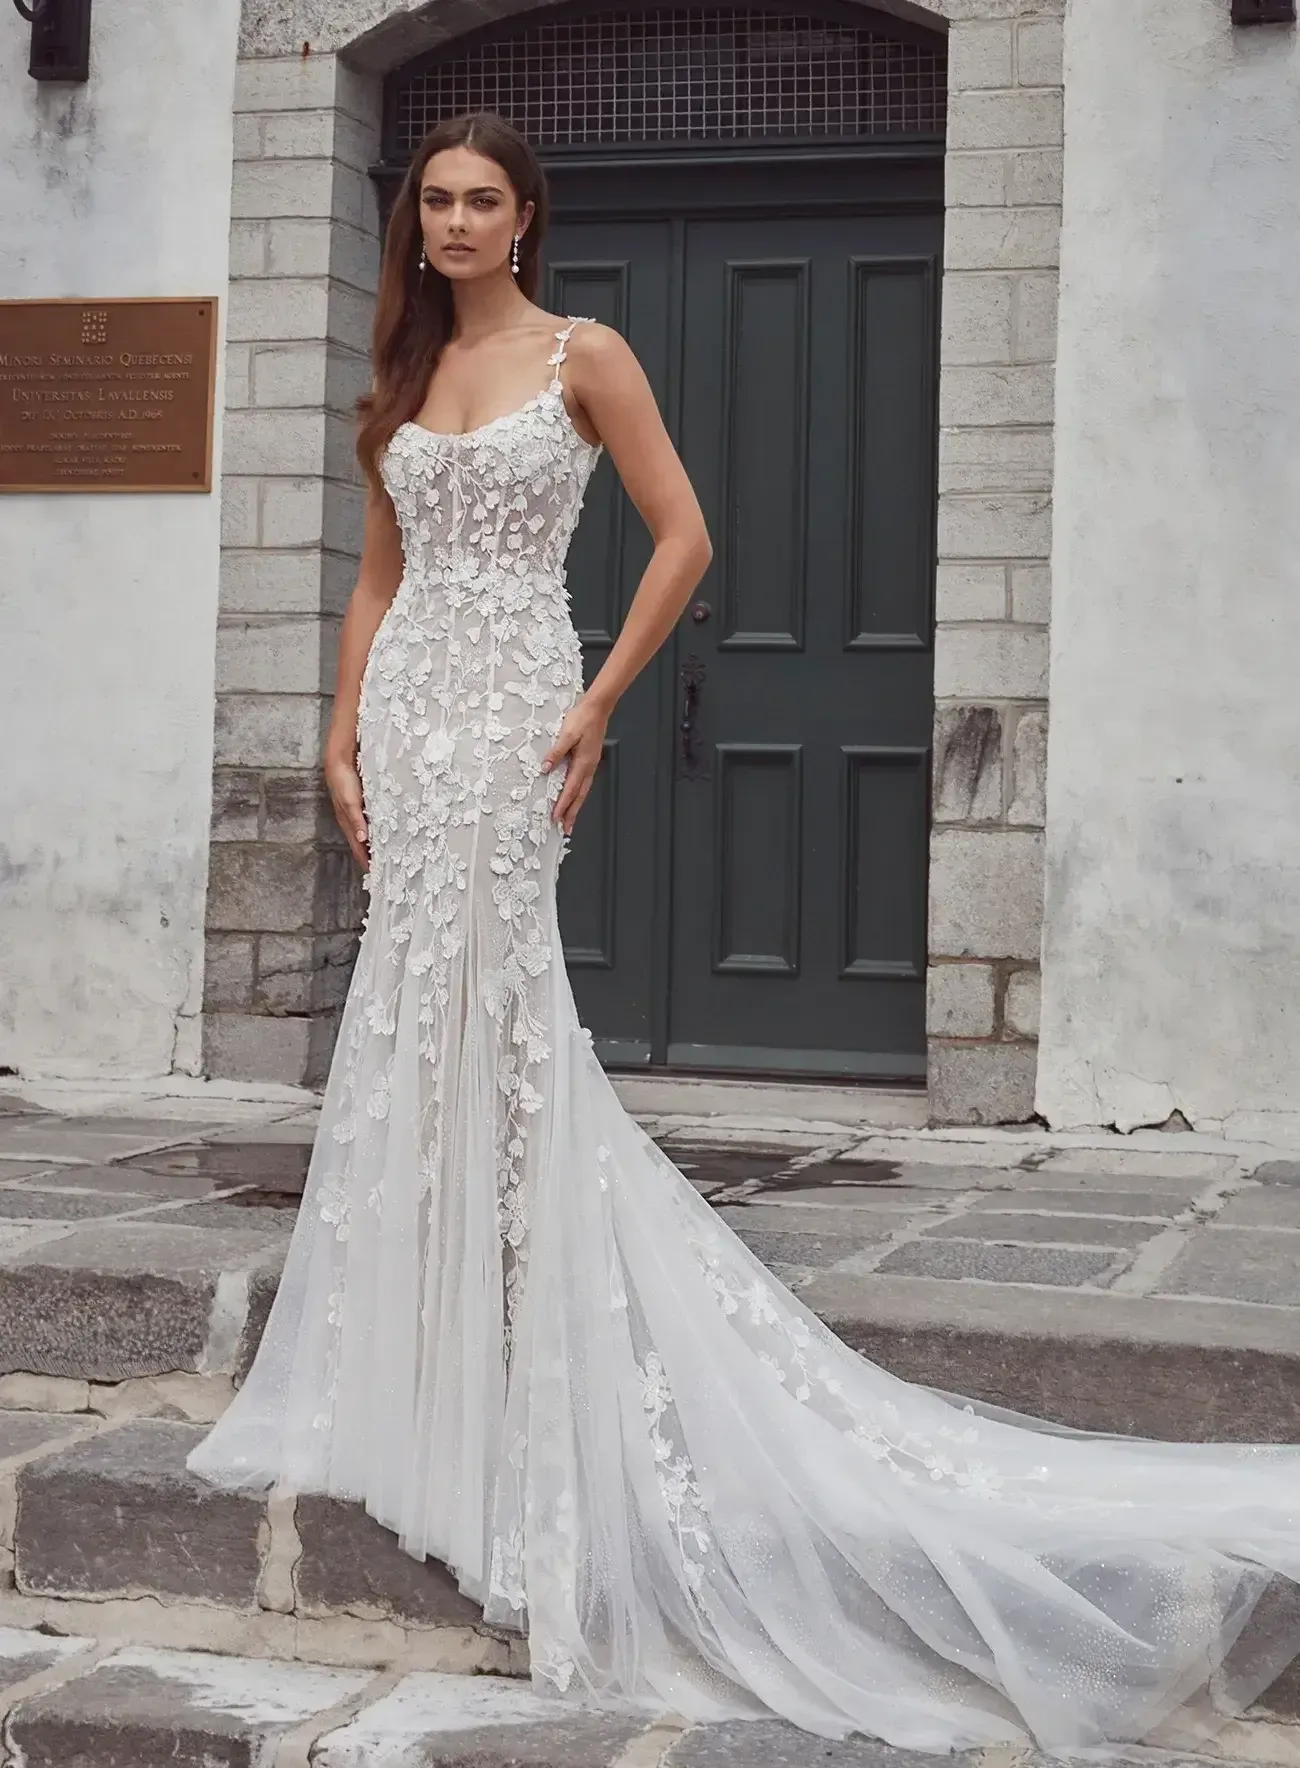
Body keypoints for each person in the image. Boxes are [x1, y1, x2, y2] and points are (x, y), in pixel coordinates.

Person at [187, 110, 1300, 1758]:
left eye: (483, 201)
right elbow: (377, 577)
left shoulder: (589, 350)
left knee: (496, 1006)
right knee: (408, 1011)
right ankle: (413, 1357)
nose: (456, 223)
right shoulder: (403, 371)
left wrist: (599, 704)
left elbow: (689, 535)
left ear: (528, 217)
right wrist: (337, 733)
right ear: (412, 217)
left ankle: (513, 1350)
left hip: (515, 715)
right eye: (435, 200)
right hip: (412, 716)